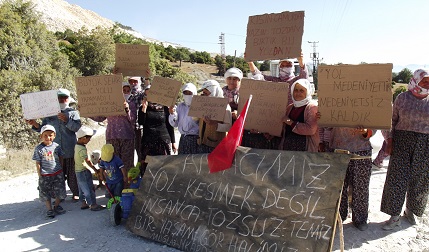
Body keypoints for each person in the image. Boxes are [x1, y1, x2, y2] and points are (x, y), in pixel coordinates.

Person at [380, 69, 429, 230]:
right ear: (415, 80)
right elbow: (391, 121)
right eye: (424, 80)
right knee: (397, 179)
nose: (427, 83)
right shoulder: (402, 98)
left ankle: (411, 210)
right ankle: (394, 216)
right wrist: (390, 140)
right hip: (402, 142)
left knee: (420, 179)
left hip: (425, 143)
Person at [27, 88, 81, 201]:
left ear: (68, 99)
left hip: (70, 148)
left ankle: (76, 192)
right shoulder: (49, 113)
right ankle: (58, 196)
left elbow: (76, 128)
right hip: (53, 151)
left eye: (64, 97)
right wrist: (35, 124)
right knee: (56, 174)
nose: (61, 99)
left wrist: (67, 120)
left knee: (72, 174)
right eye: (59, 97)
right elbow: (44, 130)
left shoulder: (73, 112)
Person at [323, 126, 374, 231]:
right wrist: (323, 117)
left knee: (361, 186)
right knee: (338, 185)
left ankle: (360, 219)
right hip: (338, 147)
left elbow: (376, 121)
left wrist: (366, 131)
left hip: (361, 148)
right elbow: (327, 126)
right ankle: (339, 216)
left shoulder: (366, 108)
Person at [91, 82, 135, 174]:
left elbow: (133, 119)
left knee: (126, 163)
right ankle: (115, 186)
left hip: (127, 137)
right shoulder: (109, 105)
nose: (126, 93)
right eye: (123, 90)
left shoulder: (131, 104)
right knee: (113, 162)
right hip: (112, 136)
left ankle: (127, 185)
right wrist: (86, 112)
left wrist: (127, 109)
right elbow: (100, 118)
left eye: (128, 91)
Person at [138, 85, 176, 175]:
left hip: (163, 141)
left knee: (163, 166)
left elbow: (169, 125)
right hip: (148, 142)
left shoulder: (165, 108)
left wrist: (173, 142)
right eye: (147, 95)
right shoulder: (143, 108)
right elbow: (141, 122)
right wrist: (144, 109)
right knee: (148, 167)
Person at [32, 125, 67, 218]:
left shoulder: (57, 147)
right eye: (45, 135)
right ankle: (49, 209)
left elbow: (61, 157)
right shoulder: (39, 149)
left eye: (50, 135)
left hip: (57, 173)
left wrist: (61, 169)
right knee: (45, 192)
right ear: (41, 136)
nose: (48, 137)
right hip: (45, 175)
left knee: (59, 190)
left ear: (54, 135)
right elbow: (38, 163)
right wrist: (40, 175)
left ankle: (56, 206)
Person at [279, 79, 319, 152]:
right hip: (288, 149)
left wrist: (290, 122)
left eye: (302, 91)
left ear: (307, 92)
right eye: (296, 90)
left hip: (305, 151)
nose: (298, 93)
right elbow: (283, 127)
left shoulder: (312, 108)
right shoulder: (290, 107)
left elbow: (311, 130)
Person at [74, 126, 104, 211]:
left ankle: (83, 203)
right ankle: (93, 204)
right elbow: (87, 161)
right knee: (89, 188)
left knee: (81, 188)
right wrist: (95, 169)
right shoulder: (82, 149)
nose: (89, 140)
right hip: (83, 171)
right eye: (89, 138)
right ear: (83, 138)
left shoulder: (76, 146)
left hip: (78, 171)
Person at [197, 80, 232, 153]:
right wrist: (197, 106)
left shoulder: (225, 106)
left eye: (206, 92)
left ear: (213, 91)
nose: (204, 94)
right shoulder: (202, 104)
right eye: (203, 92)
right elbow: (194, 119)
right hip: (201, 143)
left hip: (215, 145)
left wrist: (215, 124)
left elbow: (228, 127)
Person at [168, 83, 201, 154]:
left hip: (195, 139)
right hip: (183, 139)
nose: (187, 95)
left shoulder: (199, 107)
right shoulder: (180, 107)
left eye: (190, 93)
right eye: (185, 93)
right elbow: (175, 124)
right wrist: (172, 114)